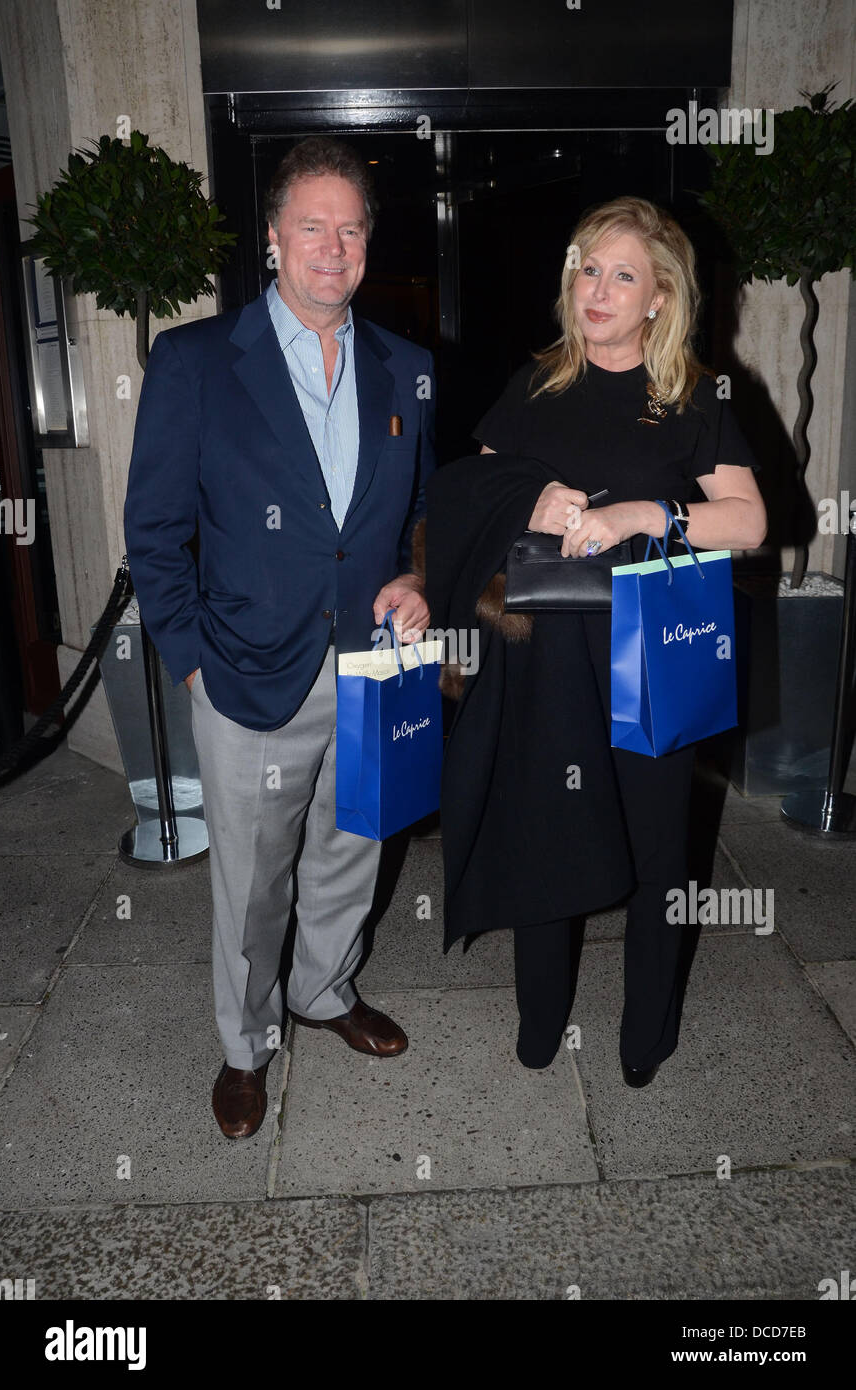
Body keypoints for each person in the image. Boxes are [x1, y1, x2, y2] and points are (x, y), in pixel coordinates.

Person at [124, 136, 435, 1138]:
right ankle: (245, 1042)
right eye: (312, 225)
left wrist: (421, 575)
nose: (333, 246)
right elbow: (155, 529)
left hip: (373, 664)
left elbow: (424, 512)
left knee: (353, 846)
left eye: (351, 226)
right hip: (248, 673)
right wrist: (194, 661)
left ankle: (325, 990)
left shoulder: (409, 369)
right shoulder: (196, 360)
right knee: (253, 881)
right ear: (272, 239)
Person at [424, 196, 765, 1085]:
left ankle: (644, 1036)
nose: (598, 288)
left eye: (622, 275)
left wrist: (644, 512)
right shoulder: (534, 382)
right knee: (547, 828)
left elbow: (749, 521)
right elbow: (474, 502)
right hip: (539, 654)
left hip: (648, 653)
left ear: (659, 297)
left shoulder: (689, 393)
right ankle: (540, 1019)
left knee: (659, 849)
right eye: (587, 267)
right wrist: (526, 501)